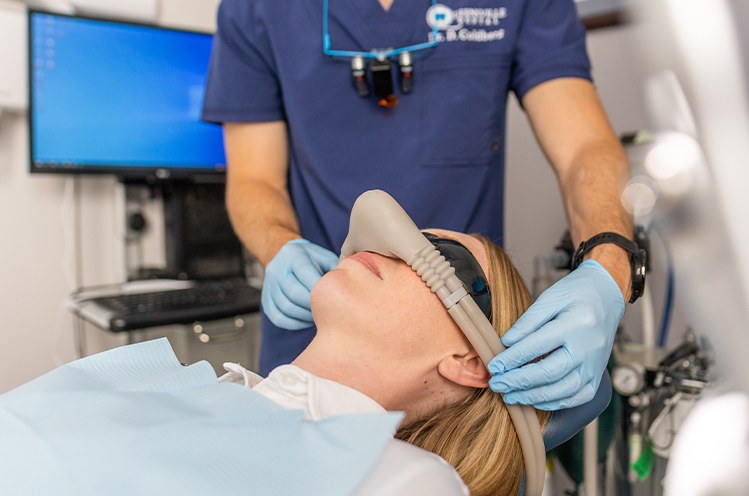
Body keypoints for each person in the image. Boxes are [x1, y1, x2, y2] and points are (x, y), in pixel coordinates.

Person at [202, 0, 634, 410]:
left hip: (446, 370)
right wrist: (280, 247)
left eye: (441, 252)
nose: (379, 248)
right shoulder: (255, 10)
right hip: (306, 333)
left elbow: (584, 147)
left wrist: (609, 272)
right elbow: (254, 180)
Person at [220, 228, 547, 496]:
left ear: (470, 361)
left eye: (445, 255)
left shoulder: (411, 482)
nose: (395, 249)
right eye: (404, 234)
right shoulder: (211, 395)